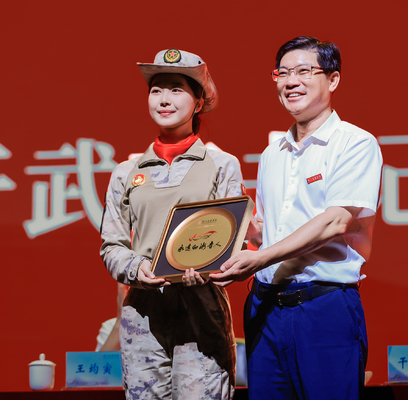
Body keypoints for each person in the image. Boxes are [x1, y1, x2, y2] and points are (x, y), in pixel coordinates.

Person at [210, 37, 383, 399]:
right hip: (265, 308)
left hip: (323, 307)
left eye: (304, 71)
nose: (291, 82)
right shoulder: (272, 154)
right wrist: (223, 228)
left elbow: (335, 221)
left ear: (332, 80)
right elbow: (264, 231)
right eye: (283, 73)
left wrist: (260, 258)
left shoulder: (355, 143)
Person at [100, 48, 242, 400]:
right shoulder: (126, 172)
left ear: (198, 102)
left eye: (176, 89)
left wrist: (211, 269)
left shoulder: (221, 164)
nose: (164, 99)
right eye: (156, 90)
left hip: (201, 308)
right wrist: (137, 267)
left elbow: (233, 240)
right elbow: (112, 245)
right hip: (143, 314)